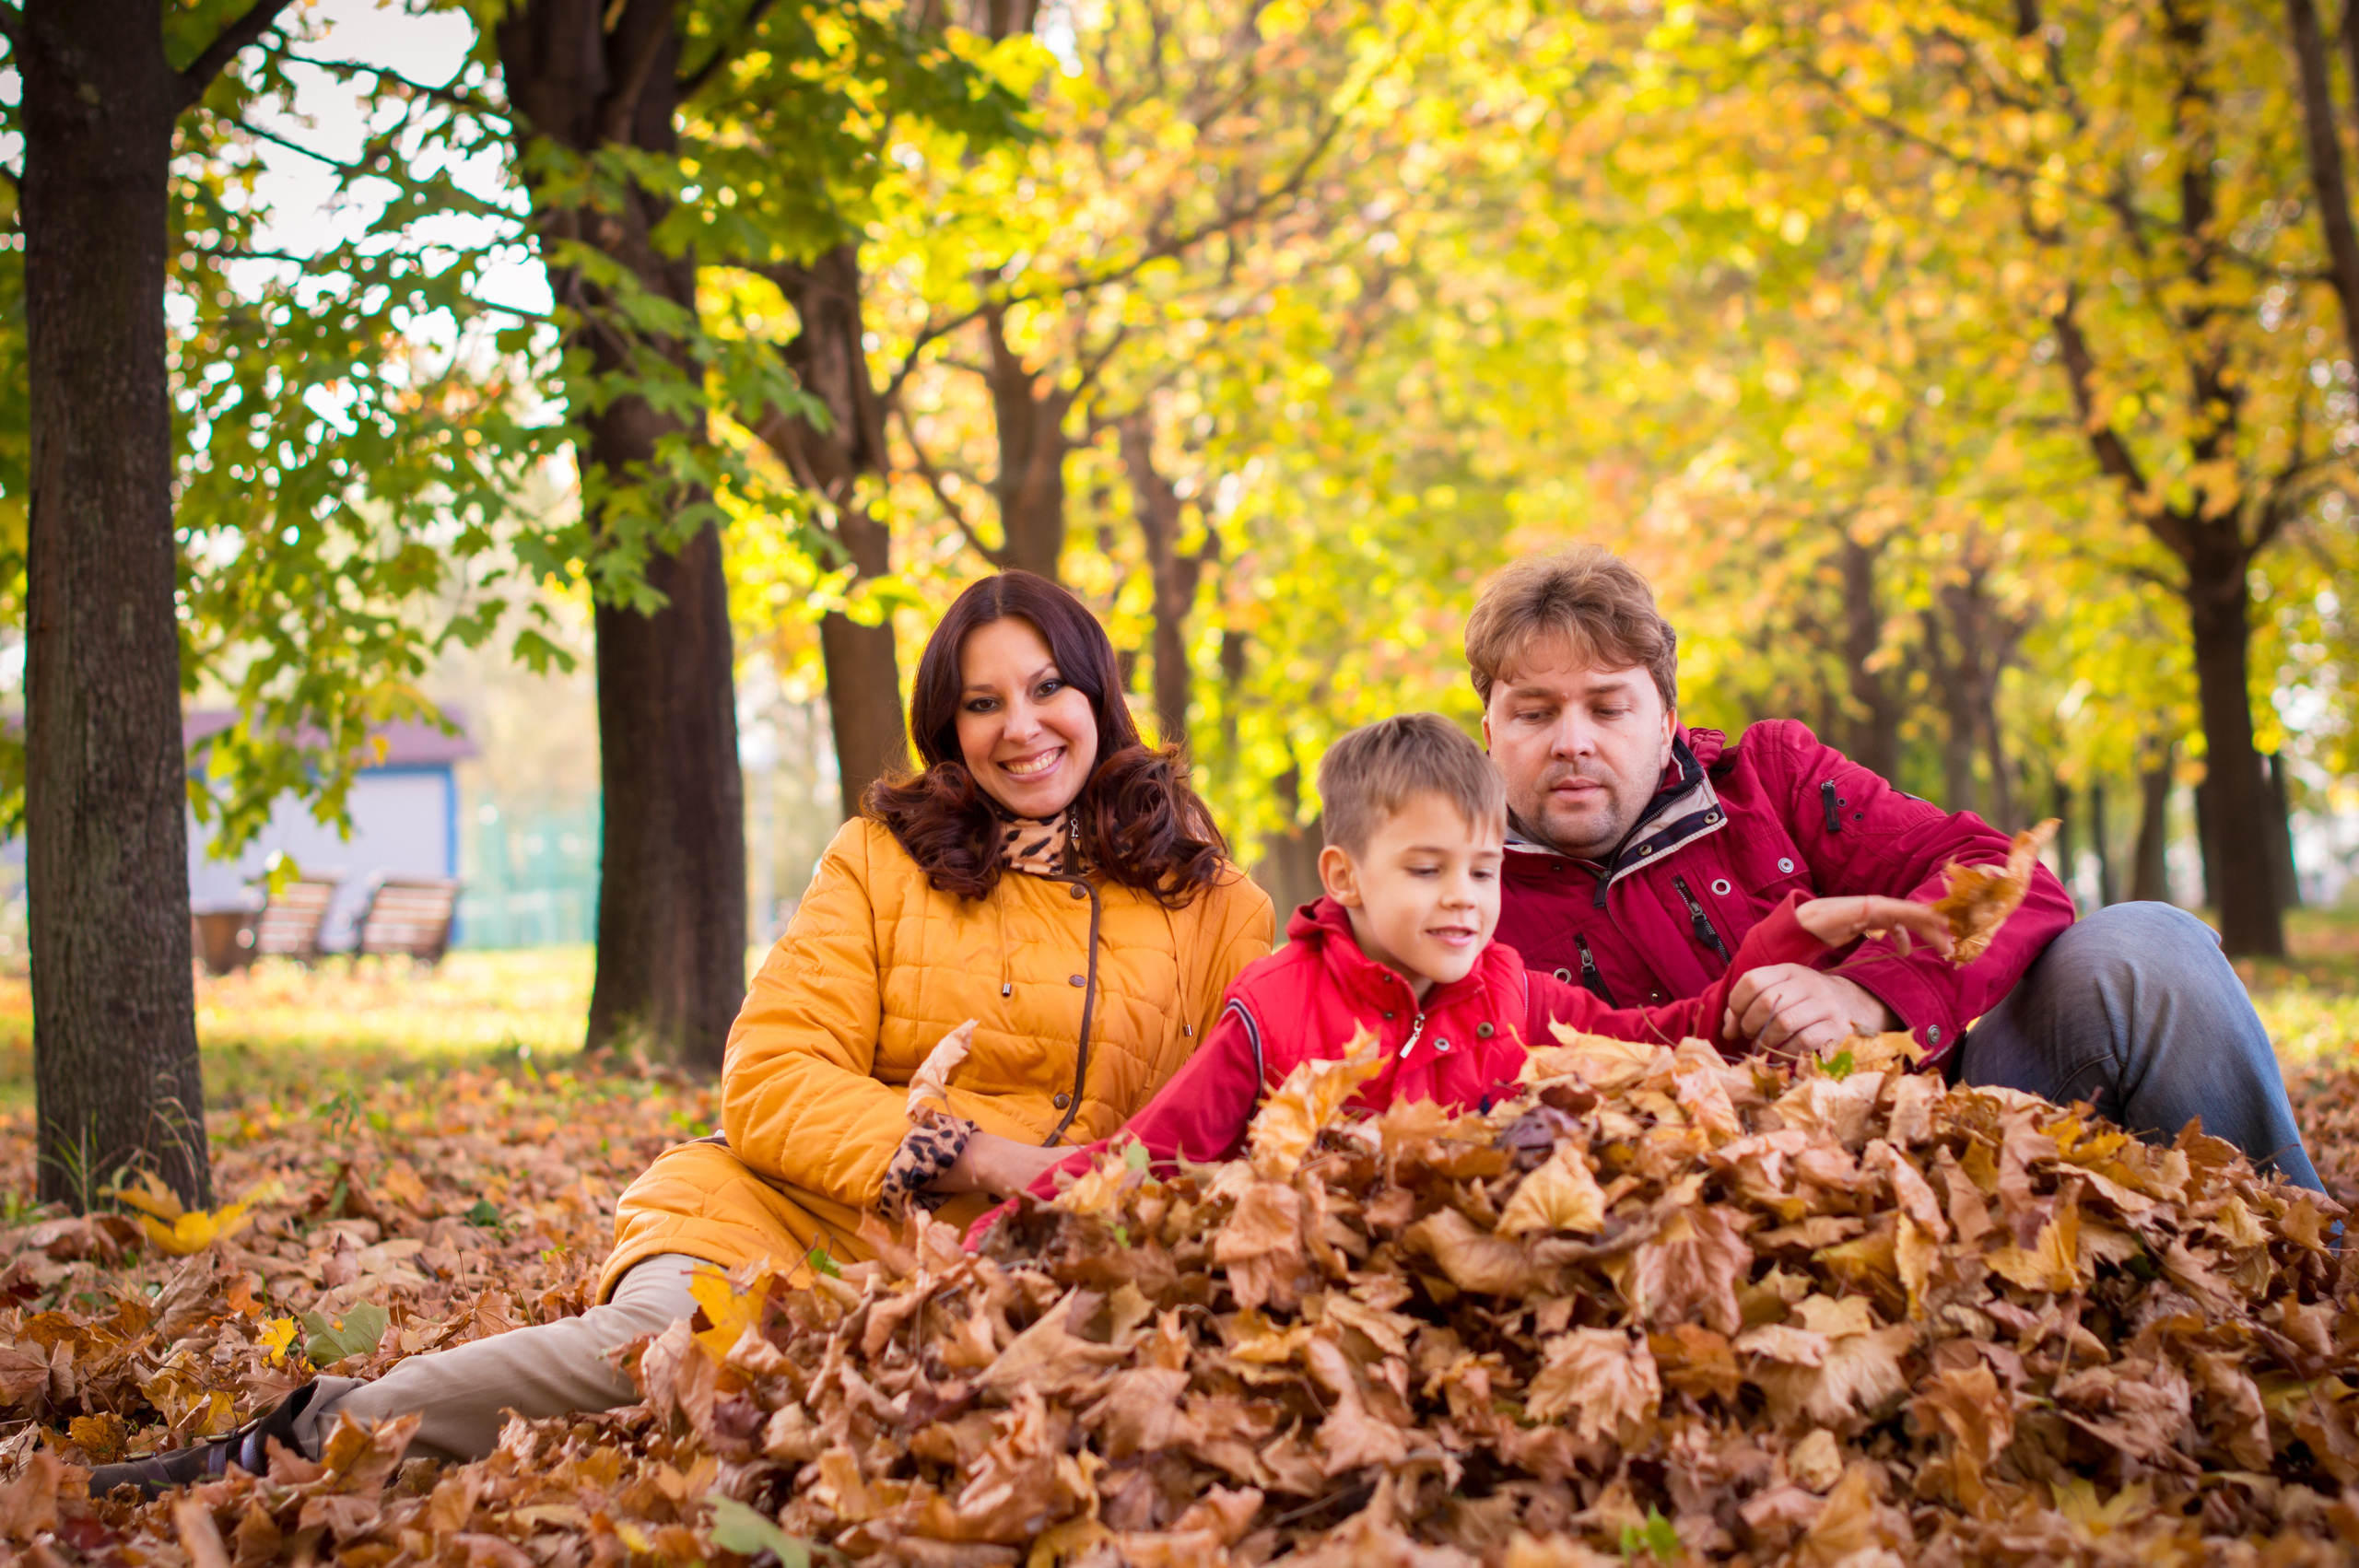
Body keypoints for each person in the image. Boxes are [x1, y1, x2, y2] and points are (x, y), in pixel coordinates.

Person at [94, 570, 1274, 1495]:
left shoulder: (1214, 905)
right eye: (982, 701)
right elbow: (767, 1077)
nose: (1021, 726)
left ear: (1097, 696)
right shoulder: (885, 860)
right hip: (785, 1217)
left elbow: (1261, 1101)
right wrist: (978, 1154)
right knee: (662, 1349)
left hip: (1009, 1280)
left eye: (1046, 687)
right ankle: (304, 1436)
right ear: (946, 724)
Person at [1466, 545, 2322, 1188]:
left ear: (1665, 720)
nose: (1573, 740)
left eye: (1609, 706)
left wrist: (1868, 993)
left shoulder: (1775, 779)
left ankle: (2300, 1265)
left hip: (1950, 1148)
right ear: (1490, 735)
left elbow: (1999, 874)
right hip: (1691, 1228)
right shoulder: (1451, 893)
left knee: (2147, 946)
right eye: (1534, 712)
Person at [1006, 713, 1953, 1190]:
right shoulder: (1274, 1006)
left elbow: (1662, 1038)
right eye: (1425, 869)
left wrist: (1778, 948)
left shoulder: (1512, 989)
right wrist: (997, 1245)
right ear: (1344, 876)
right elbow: (1145, 1157)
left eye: (1482, 869)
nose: (1462, 895)